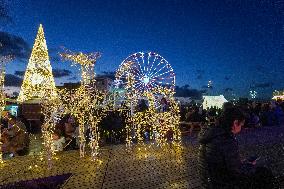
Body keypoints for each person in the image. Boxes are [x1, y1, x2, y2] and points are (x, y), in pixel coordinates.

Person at [198, 107, 276, 188]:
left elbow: (226, 164)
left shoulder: (211, 134)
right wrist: (251, 166)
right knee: (264, 173)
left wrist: (243, 163)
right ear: (235, 123)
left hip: (209, 181)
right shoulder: (225, 140)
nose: (241, 128)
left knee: (252, 163)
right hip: (221, 184)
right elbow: (237, 171)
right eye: (241, 125)